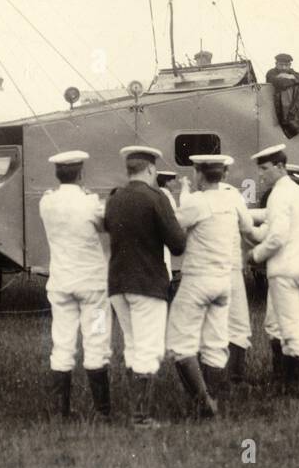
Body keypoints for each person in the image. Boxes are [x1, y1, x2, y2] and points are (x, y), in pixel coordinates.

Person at [166, 154, 258, 417]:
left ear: (198, 174)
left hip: (198, 279)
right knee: (215, 343)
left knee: (179, 342)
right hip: (223, 280)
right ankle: (213, 397)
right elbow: (248, 226)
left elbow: (174, 224)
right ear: (223, 174)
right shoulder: (233, 199)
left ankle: (203, 400)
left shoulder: (197, 201)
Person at [104, 145, 187, 429]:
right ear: (151, 169)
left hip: (117, 283)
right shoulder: (157, 197)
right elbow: (178, 245)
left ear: (129, 170)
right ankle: (141, 417)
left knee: (132, 344)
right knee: (149, 349)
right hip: (147, 282)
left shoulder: (114, 198)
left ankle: (134, 410)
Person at [248, 145, 299, 397]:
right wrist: (242, 217)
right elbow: (271, 220)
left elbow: (276, 237)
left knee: (289, 329)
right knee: (281, 324)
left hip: (285, 269)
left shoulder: (278, 194)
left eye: (265, 168)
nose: (261, 174)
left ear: (280, 167)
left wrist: (255, 255)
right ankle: (286, 381)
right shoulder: (298, 193)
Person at [37, 150, 112, 421]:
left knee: (62, 344)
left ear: (58, 174)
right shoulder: (90, 203)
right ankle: (102, 411)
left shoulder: (47, 202)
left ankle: (61, 412)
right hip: (93, 285)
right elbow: (106, 225)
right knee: (97, 341)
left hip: (61, 283)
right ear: (81, 173)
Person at [156, 170, 184, 301]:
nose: (175, 184)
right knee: (166, 264)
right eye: (173, 181)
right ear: (167, 182)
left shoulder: (157, 195)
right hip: (164, 239)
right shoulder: (167, 197)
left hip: (158, 239)